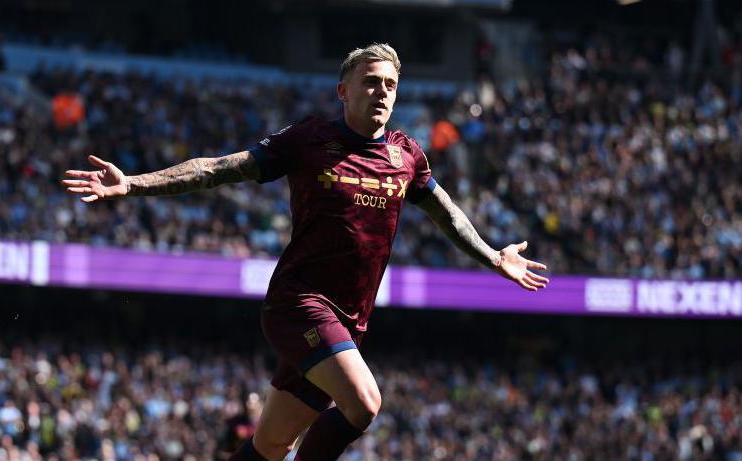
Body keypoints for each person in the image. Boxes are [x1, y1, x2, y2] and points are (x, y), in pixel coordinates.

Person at [62, 43, 549, 461]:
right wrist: (133, 184)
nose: (382, 91)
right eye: (372, 81)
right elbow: (219, 168)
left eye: (391, 85)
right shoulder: (311, 140)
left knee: (271, 447)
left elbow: (445, 213)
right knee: (364, 402)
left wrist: (492, 255)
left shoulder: (407, 156)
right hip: (299, 304)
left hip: (349, 321)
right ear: (344, 91)